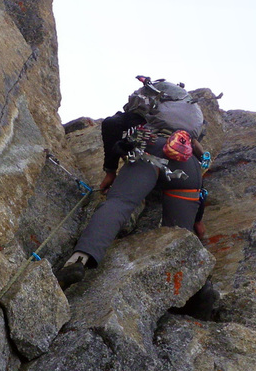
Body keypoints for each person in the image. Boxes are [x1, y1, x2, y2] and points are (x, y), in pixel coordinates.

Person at [58, 77, 207, 288]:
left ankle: (79, 259)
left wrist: (110, 170)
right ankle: (194, 290)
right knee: (179, 236)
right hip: (188, 167)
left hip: (151, 154)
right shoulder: (191, 126)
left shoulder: (143, 113)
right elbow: (199, 176)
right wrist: (198, 218)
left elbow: (111, 124)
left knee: (119, 204)